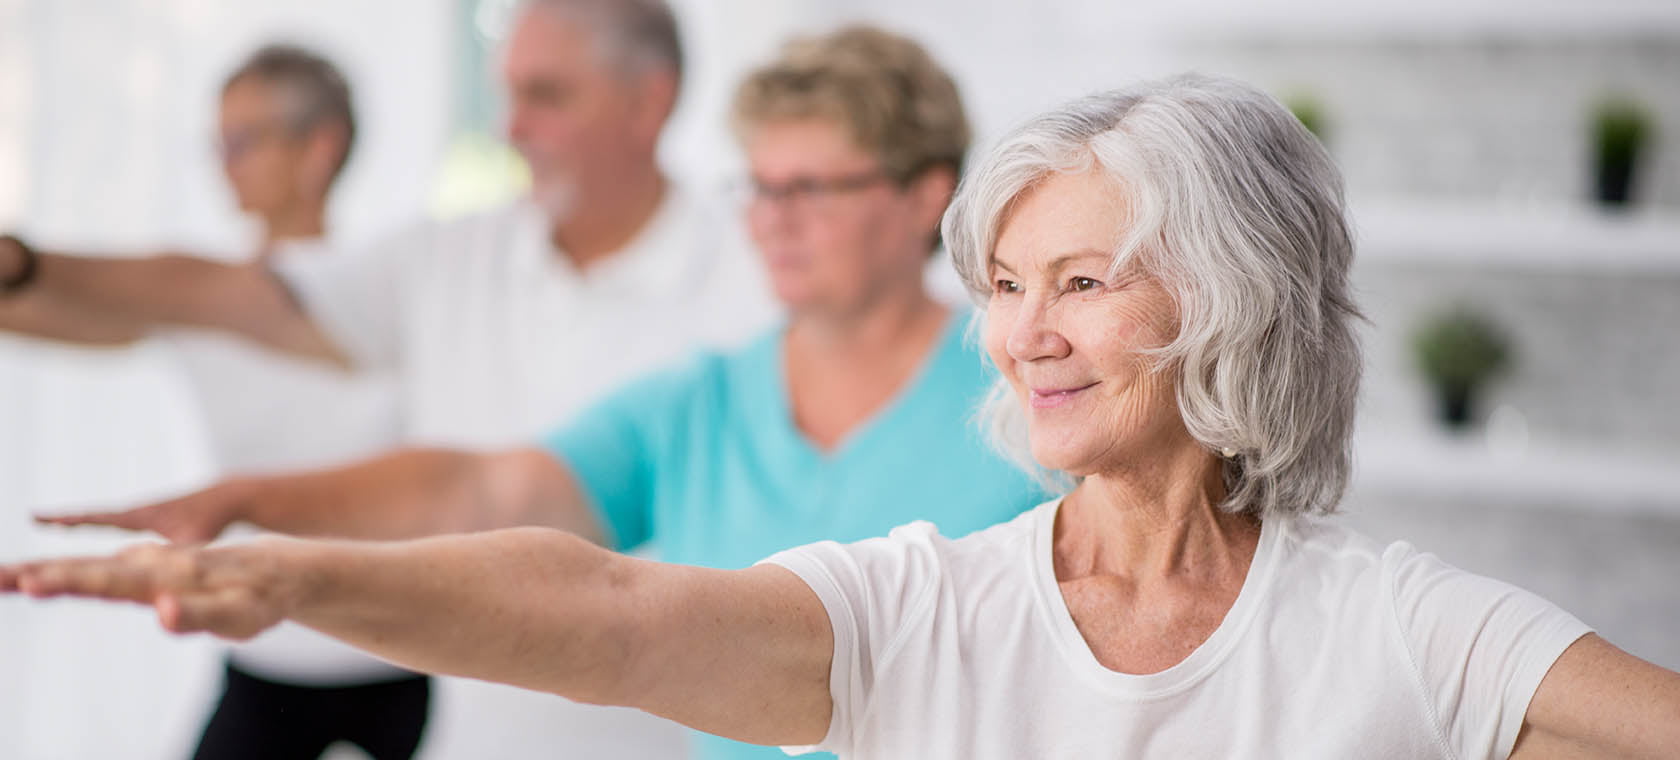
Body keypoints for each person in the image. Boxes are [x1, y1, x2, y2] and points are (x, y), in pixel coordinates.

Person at [12, 74, 1679, 759]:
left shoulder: (1390, 630)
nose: (1025, 332)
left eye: (1084, 282)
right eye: (1010, 284)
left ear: (1231, 296)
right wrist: (296, 569)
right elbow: (603, 603)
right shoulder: (925, 607)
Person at [37, 26, 1048, 760]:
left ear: (925, 196)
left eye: (812, 189)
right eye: (759, 187)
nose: (773, 220)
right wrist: (258, 512)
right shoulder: (700, 403)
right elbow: (488, 493)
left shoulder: (1033, 397)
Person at [3, 1, 774, 756]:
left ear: (650, 101)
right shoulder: (447, 261)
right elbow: (224, 294)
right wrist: (27, 265)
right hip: (474, 732)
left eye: (547, 95)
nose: (510, 127)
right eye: (507, 92)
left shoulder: (762, 271)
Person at [6, 43, 429, 760]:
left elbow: (206, 291)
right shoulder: (196, 303)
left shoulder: (390, 287)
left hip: (403, 657)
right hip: (268, 652)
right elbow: (63, 308)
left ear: (318, 147)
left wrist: (24, 261)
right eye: (216, 143)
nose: (222, 164)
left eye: (243, 140)